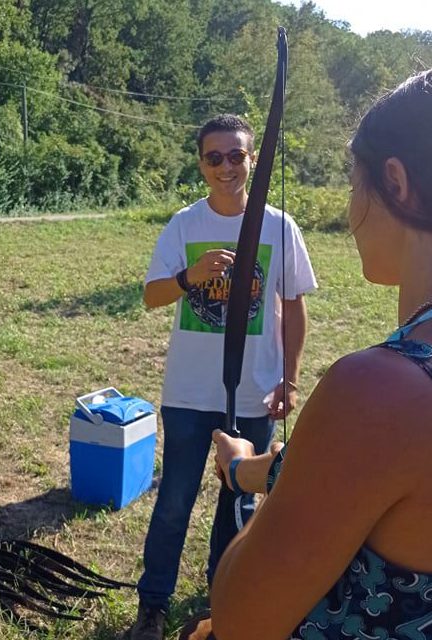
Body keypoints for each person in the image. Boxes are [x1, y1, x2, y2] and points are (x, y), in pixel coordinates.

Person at [179, 68, 432, 640]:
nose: (350, 203)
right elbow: (366, 476)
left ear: (396, 183)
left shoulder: (383, 391)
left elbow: (244, 619)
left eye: (353, 180)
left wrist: (262, 508)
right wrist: (246, 471)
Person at [130, 114, 317, 639]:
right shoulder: (184, 225)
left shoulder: (280, 226)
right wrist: (190, 278)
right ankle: (154, 604)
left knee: (239, 504)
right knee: (173, 503)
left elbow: (294, 307)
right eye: (215, 158)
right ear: (201, 165)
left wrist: (291, 379)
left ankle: (224, 602)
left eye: (237, 155)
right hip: (189, 393)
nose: (227, 167)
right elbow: (150, 296)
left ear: (253, 159)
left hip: (255, 393)